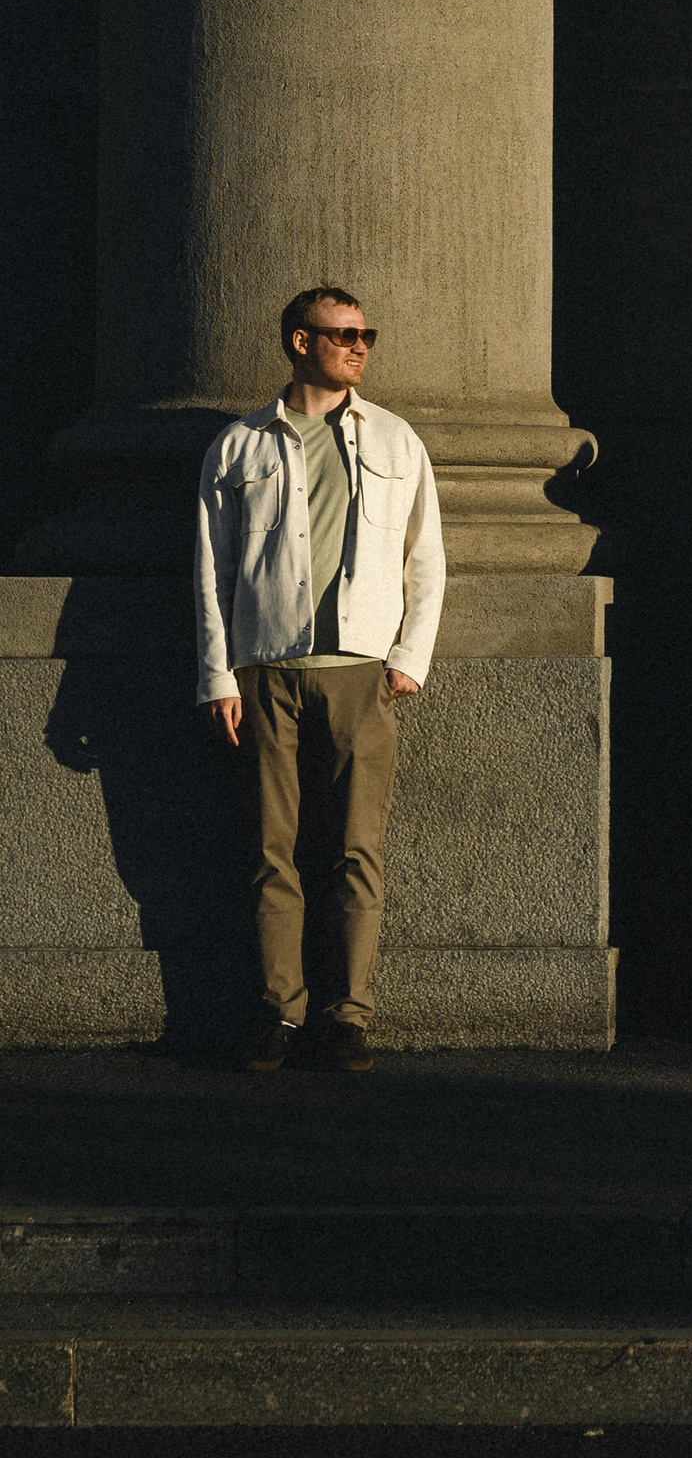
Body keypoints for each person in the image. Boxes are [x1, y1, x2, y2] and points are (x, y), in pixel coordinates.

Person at [193, 287, 445, 1072]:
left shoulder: (396, 441)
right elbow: (211, 570)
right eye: (344, 335)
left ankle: (349, 1015)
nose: (360, 347)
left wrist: (407, 659)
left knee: (355, 848)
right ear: (301, 342)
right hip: (267, 669)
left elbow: (425, 557)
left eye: (366, 334)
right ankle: (281, 1011)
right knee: (274, 851)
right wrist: (218, 676)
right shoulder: (240, 445)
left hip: (362, 676)